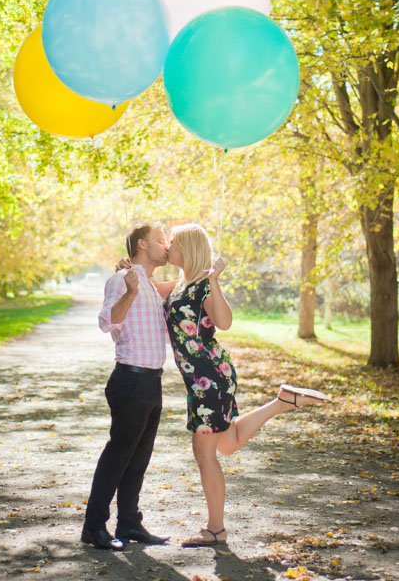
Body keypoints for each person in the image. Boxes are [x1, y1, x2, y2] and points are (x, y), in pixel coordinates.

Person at [162, 223, 330, 547]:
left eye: (173, 243)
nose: (168, 247)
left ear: (188, 248)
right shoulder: (179, 286)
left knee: (204, 452)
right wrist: (130, 270)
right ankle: (283, 401)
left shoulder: (203, 287)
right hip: (201, 380)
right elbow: (148, 286)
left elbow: (224, 322)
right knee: (226, 443)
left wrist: (214, 279)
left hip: (209, 379)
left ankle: (215, 530)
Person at [81, 222, 171, 550]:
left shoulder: (149, 283)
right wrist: (129, 292)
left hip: (152, 380)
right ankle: (93, 526)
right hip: (130, 379)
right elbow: (107, 322)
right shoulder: (123, 280)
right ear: (142, 244)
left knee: (138, 459)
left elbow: (188, 278)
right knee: (118, 456)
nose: (166, 245)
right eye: (161, 240)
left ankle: (129, 524)